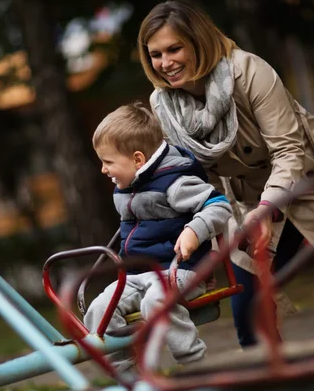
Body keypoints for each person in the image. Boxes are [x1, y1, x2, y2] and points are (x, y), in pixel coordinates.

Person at [137, 0, 314, 390]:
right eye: (155, 54)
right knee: (250, 311)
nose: (166, 62)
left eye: (175, 49)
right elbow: (186, 174)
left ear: (198, 42)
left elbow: (290, 150)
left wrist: (268, 209)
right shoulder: (163, 105)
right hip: (249, 200)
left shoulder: (247, 71)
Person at [83, 102, 232, 372]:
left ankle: (196, 367)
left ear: (138, 160)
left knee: (156, 302)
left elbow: (220, 206)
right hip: (136, 273)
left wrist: (193, 231)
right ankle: (128, 375)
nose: (103, 170)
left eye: (108, 162)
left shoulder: (175, 182)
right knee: (99, 309)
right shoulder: (127, 186)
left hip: (181, 271)